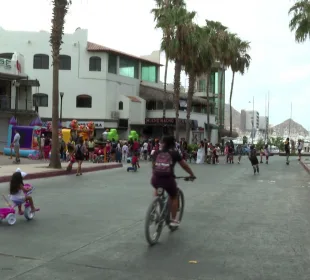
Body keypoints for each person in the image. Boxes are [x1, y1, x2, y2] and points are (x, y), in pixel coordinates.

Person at [151, 136, 196, 227]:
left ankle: (154, 208)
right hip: (168, 179)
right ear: (173, 144)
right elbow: (184, 166)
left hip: (155, 179)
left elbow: (153, 165)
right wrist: (191, 174)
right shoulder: (174, 153)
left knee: (158, 189)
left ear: (162, 143)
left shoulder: (156, 152)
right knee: (174, 196)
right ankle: (174, 220)